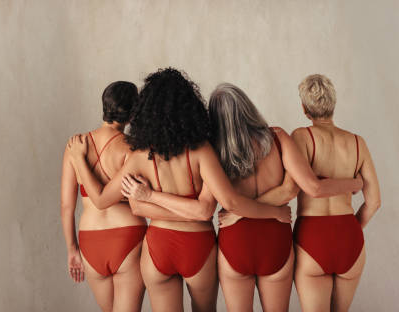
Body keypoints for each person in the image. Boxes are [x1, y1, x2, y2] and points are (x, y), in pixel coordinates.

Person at [123, 83, 363, 312]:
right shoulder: (278, 137)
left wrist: (238, 212)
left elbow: (220, 203)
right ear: (248, 107)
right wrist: (276, 210)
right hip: (276, 238)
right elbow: (292, 189)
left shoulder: (214, 150)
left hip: (235, 241)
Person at [67, 68, 291, 312]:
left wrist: (150, 197)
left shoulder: (139, 157)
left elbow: (130, 204)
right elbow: (213, 207)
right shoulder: (203, 151)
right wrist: (272, 211)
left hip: (158, 247)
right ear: (190, 108)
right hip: (198, 246)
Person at [267, 74, 381, 311]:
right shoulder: (358, 142)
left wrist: (246, 204)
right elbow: (374, 202)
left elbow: (288, 190)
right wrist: (350, 230)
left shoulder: (302, 137)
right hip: (350, 237)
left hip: (313, 238)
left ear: (305, 108)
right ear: (333, 104)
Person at [60, 81, 147, 312]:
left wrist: (72, 250)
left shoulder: (75, 146)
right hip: (127, 238)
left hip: (90, 241)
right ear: (131, 115)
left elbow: (67, 206)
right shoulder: (132, 149)